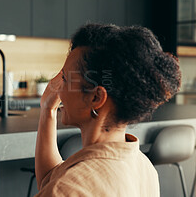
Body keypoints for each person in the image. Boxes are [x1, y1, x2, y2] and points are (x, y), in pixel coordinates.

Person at [35, 23, 181, 196]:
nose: (58, 89)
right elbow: (50, 180)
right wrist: (47, 110)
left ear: (96, 98)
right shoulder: (144, 168)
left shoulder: (66, 189)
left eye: (65, 79)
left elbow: (57, 187)